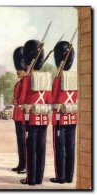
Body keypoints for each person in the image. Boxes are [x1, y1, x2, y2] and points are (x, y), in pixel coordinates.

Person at [18, 40, 52, 185]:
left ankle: (31, 179)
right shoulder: (47, 77)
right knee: (41, 150)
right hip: (44, 119)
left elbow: (21, 100)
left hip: (31, 119)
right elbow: (49, 100)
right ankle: (39, 178)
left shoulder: (26, 78)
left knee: (31, 150)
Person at [50, 41, 77, 184]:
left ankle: (60, 177)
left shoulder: (57, 79)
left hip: (60, 118)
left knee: (60, 148)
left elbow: (52, 99)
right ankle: (69, 176)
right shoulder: (75, 78)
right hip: (72, 118)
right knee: (70, 148)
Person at [11, 46, 27, 174]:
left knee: (25, 143)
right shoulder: (18, 83)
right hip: (17, 116)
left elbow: (22, 100)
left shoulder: (26, 82)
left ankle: (25, 165)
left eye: (20, 70)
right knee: (20, 142)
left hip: (24, 116)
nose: (18, 72)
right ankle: (21, 164)